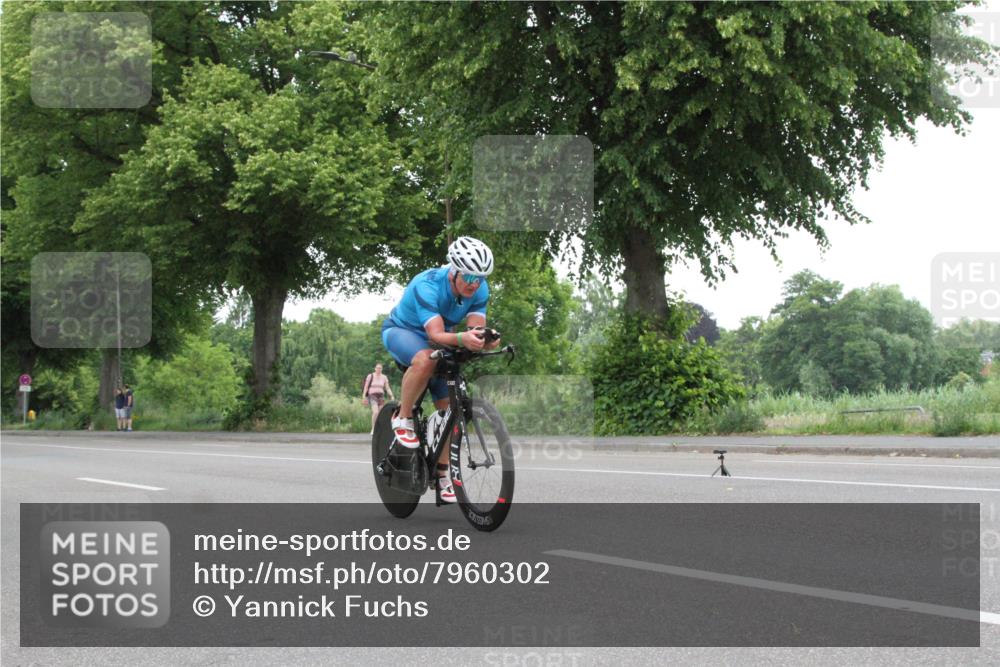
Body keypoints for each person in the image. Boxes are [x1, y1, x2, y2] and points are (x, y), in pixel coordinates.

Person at [381, 236, 500, 503]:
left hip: (441, 338)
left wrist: (485, 339)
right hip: (404, 331)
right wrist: (462, 339)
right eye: (469, 276)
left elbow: (473, 332)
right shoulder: (427, 284)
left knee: (450, 411)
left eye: (479, 277)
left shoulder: (480, 289)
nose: (474, 283)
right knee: (426, 358)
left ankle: (442, 474)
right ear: (454, 269)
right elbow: (434, 335)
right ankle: (403, 417)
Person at [361, 363, 395, 434]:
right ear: (375, 368)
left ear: (382, 369)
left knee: (380, 413)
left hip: (381, 395)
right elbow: (366, 387)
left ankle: (379, 428)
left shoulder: (384, 377)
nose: (379, 369)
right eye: (377, 368)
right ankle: (373, 428)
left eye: (380, 368)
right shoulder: (370, 376)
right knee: (375, 412)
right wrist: (364, 397)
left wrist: (391, 395)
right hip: (372, 395)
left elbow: (387, 388)